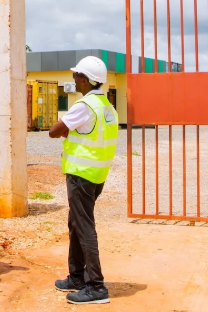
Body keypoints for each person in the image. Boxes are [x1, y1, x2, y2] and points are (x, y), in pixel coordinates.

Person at [47, 55, 118, 305]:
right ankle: (76, 276)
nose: (74, 80)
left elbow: (53, 131)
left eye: (77, 76)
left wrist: (65, 128)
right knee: (76, 223)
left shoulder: (84, 106)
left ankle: (96, 286)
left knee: (84, 226)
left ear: (86, 80)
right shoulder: (107, 107)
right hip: (97, 175)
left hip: (81, 174)